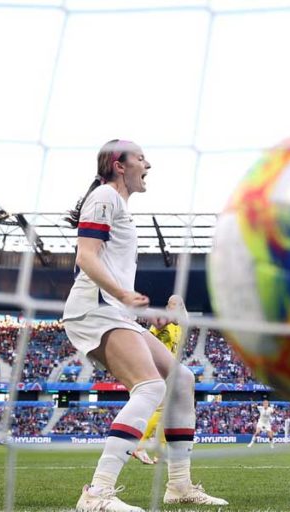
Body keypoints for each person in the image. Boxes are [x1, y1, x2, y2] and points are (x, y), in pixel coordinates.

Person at [62, 140, 227, 511]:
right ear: (119, 166)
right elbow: (85, 257)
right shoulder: (105, 196)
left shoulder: (115, 204)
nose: (147, 163)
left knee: (181, 380)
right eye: (140, 158)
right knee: (150, 387)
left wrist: (129, 301)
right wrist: (122, 292)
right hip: (95, 309)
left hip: (113, 311)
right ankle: (96, 493)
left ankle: (180, 486)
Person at [132, 295, 186, 465]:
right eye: (172, 304)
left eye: (179, 304)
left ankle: (160, 452)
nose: (176, 307)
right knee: (161, 409)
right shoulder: (163, 322)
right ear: (168, 306)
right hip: (160, 370)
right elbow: (148, 340)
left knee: (167, 413)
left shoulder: (180, 327)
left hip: (171, 370)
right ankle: (139, 445)